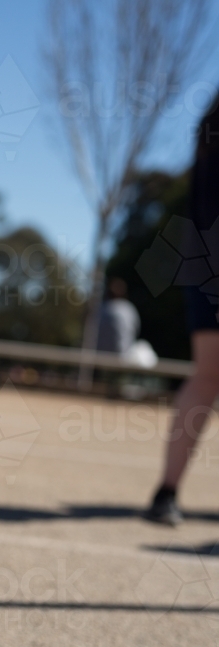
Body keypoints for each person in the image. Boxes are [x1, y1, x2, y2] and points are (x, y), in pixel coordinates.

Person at [146, 94, 219, 526]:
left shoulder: (209, 124)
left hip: (202, 258)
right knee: (207, 375)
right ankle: (167, 491)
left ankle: (166, 490)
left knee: (206, 376)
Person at [97, 277, 140, 355]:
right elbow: (136, 330)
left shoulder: (100, 308)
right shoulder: (129, 309)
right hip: (124, 358)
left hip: (100, 358)